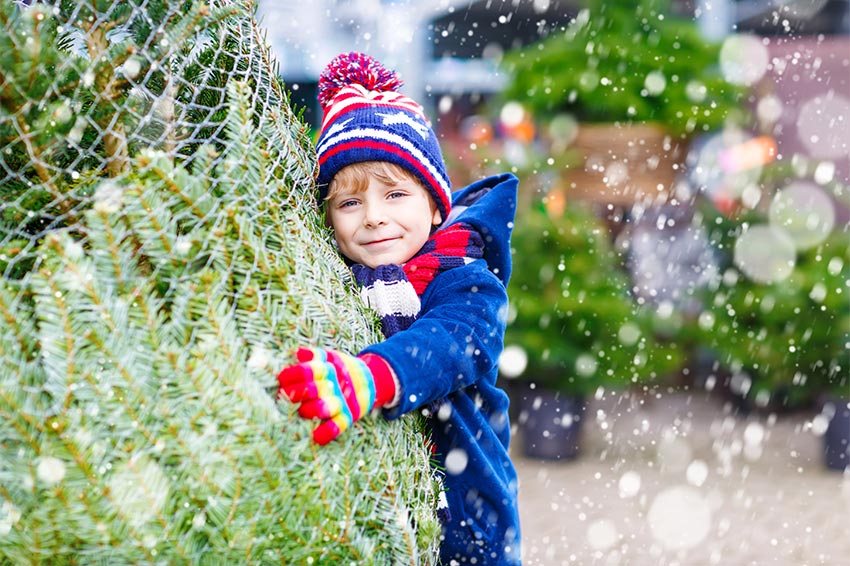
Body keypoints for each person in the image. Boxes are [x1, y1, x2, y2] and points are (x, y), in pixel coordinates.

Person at [277, 52, 521, 565]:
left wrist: (373, 376)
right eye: (350, 203)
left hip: (465, 529)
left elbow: (452, 343)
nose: (373, 217)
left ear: (434, 206)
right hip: (375, 524)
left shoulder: (466, 278)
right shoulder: (333, 282)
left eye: (394, 195)